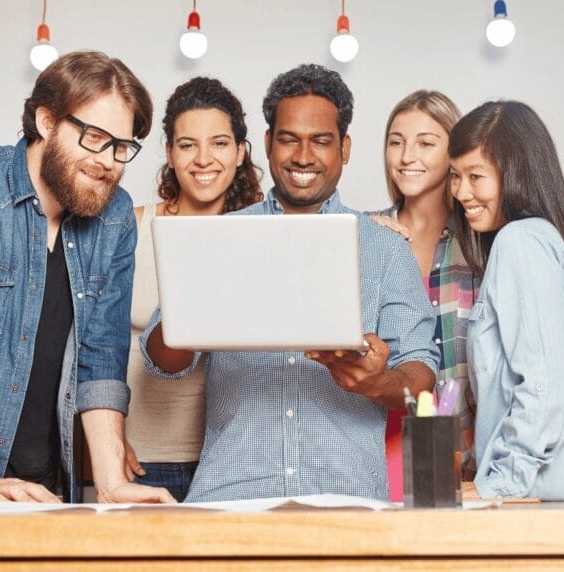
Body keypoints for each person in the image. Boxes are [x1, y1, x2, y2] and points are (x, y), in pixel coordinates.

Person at [140, 64, 440, 503]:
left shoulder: (385, 247)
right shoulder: (218, 237)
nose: (303, 155)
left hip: (347, 498)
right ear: (266, 144)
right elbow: (161, 360)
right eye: (288, 139)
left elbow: (422, 373)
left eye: (321, 140)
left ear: (345, 148)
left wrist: (374, 383)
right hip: (230, 498)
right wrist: (199, 305)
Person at [0, 51, 174, 504]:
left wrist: (112, 484)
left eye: (122, 147)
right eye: (95, 138)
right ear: (45, 121)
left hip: (44, 490)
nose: (109, 163)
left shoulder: (115, 216)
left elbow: (100, 362)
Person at [447, 100, 564, 502]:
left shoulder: (521, 242)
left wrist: (501, 484)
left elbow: (541, 388)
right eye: (455, 176)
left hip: (549, 496)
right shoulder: (558, 244)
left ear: (515, 172)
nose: (461, 192)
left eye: (475, 176)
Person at [124, 77, 263, 502]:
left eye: (219, 143)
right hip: (140, 461)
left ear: (240, 152)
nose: (203, 159)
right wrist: (103, 439)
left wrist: (375, 224)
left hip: (231, 463)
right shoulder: (130, 226)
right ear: (168, 153)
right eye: (187, 145)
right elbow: (84, 341)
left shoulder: (263, 236)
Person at [368, 90, 479, 503]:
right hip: (380, 456)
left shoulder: (480, 250)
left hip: (467, 459)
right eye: (396, 142)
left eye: (426, 143)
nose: (406, 156)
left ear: (454, 152)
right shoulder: (365, 235)